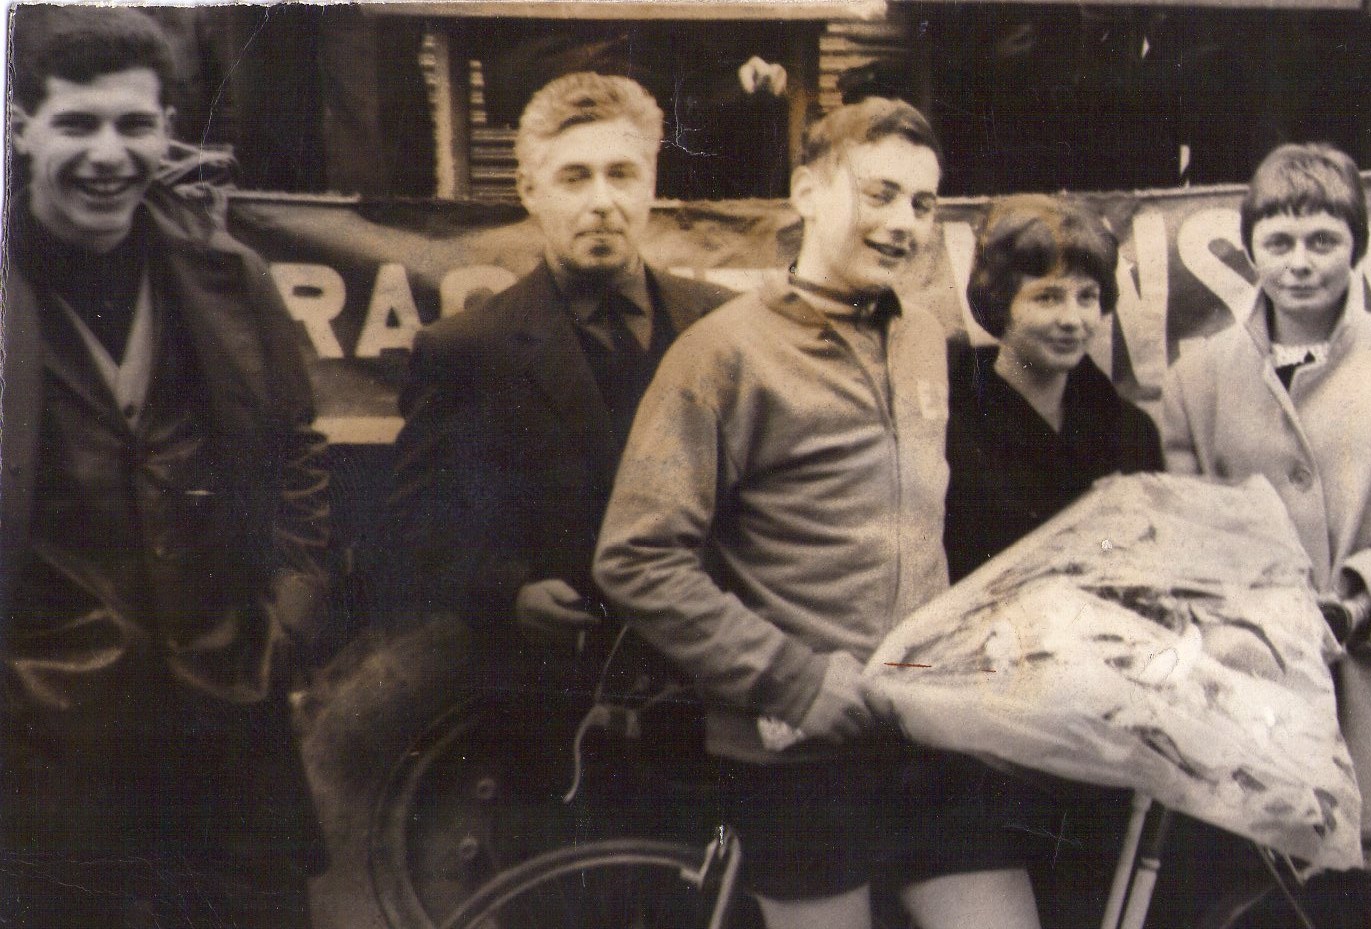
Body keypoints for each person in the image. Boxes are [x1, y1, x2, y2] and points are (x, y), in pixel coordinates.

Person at [595, 98, 1041, 929]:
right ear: (806, 192)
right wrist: (795, 680)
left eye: (922, 203)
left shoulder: (922, 338)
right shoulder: (721, 353)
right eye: (879, 193)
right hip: (796, 746)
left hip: (923, 729)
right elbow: (636, 559)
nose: (903, 222)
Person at [0, 8, 331, 926]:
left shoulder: (228, 275)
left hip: (229, 726)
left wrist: (291, 619)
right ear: (23, 129)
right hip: (45, 749)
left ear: (167, 131)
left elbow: (296, 448)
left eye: (134, 124)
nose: (108, 155)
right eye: (77, 123)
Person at [1160, 143, 1371, 838]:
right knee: (1268, 880)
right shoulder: (1196, 379)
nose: (1299, 262)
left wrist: (1359, 603)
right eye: (1278, 242)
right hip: (1255, 685)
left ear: (1356, 247)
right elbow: (1189, 539)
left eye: (1322, 241)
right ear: (1250, 251)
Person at [389, 72, 734, 650]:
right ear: (530, 190)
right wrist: (507, 593)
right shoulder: (466, 349)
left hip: (708, 657)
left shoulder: (721, 324)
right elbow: (416, 521)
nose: (602, 202)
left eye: (621, 174)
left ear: (651, 183)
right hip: (556, 672)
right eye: (574, 178)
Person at [945, 196, 1162, 929]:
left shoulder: (1127, 430)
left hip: (1093, 731)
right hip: (975, 734)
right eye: (1046, 296)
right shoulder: (946, 415)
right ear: (998, 302)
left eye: (1087, 296)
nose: (1072, 317)